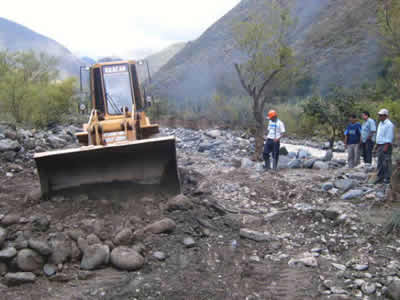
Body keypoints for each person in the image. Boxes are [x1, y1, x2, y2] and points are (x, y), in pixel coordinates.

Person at [375, 108, 395, 184]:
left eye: (381, 115)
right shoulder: (380, 123)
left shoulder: (389, 125)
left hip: (386, 145)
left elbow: (389, 137)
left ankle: (387, 178)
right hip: (380, 144)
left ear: (385, 116)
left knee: (386, 162)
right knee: (380, 162)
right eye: (379, 115)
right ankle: (380, 177)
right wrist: (376, 145)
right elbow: (379, 135)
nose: (379, 117)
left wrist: (385, 147)